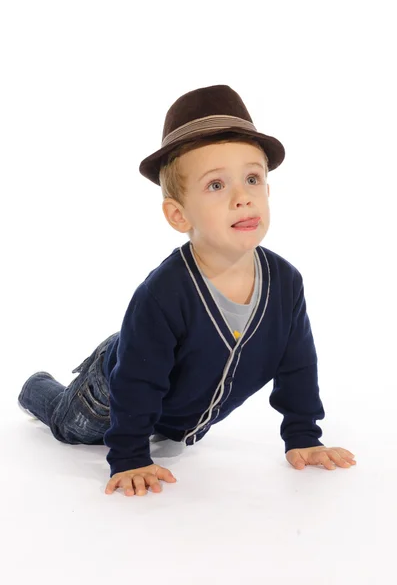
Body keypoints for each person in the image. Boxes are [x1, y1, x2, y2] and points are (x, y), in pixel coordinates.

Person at [18, 84, 356, 497]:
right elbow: (138, 382)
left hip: (163, 403)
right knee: (68, 427)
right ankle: (36, 387)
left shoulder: (286, 283)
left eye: (252, 178)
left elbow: (297, 364)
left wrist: (303, 435)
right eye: (216, 185)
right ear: (179, 215)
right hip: (111, 392)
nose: (241, 197)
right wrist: (131, 458)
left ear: (268, 190)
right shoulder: (164, 293)